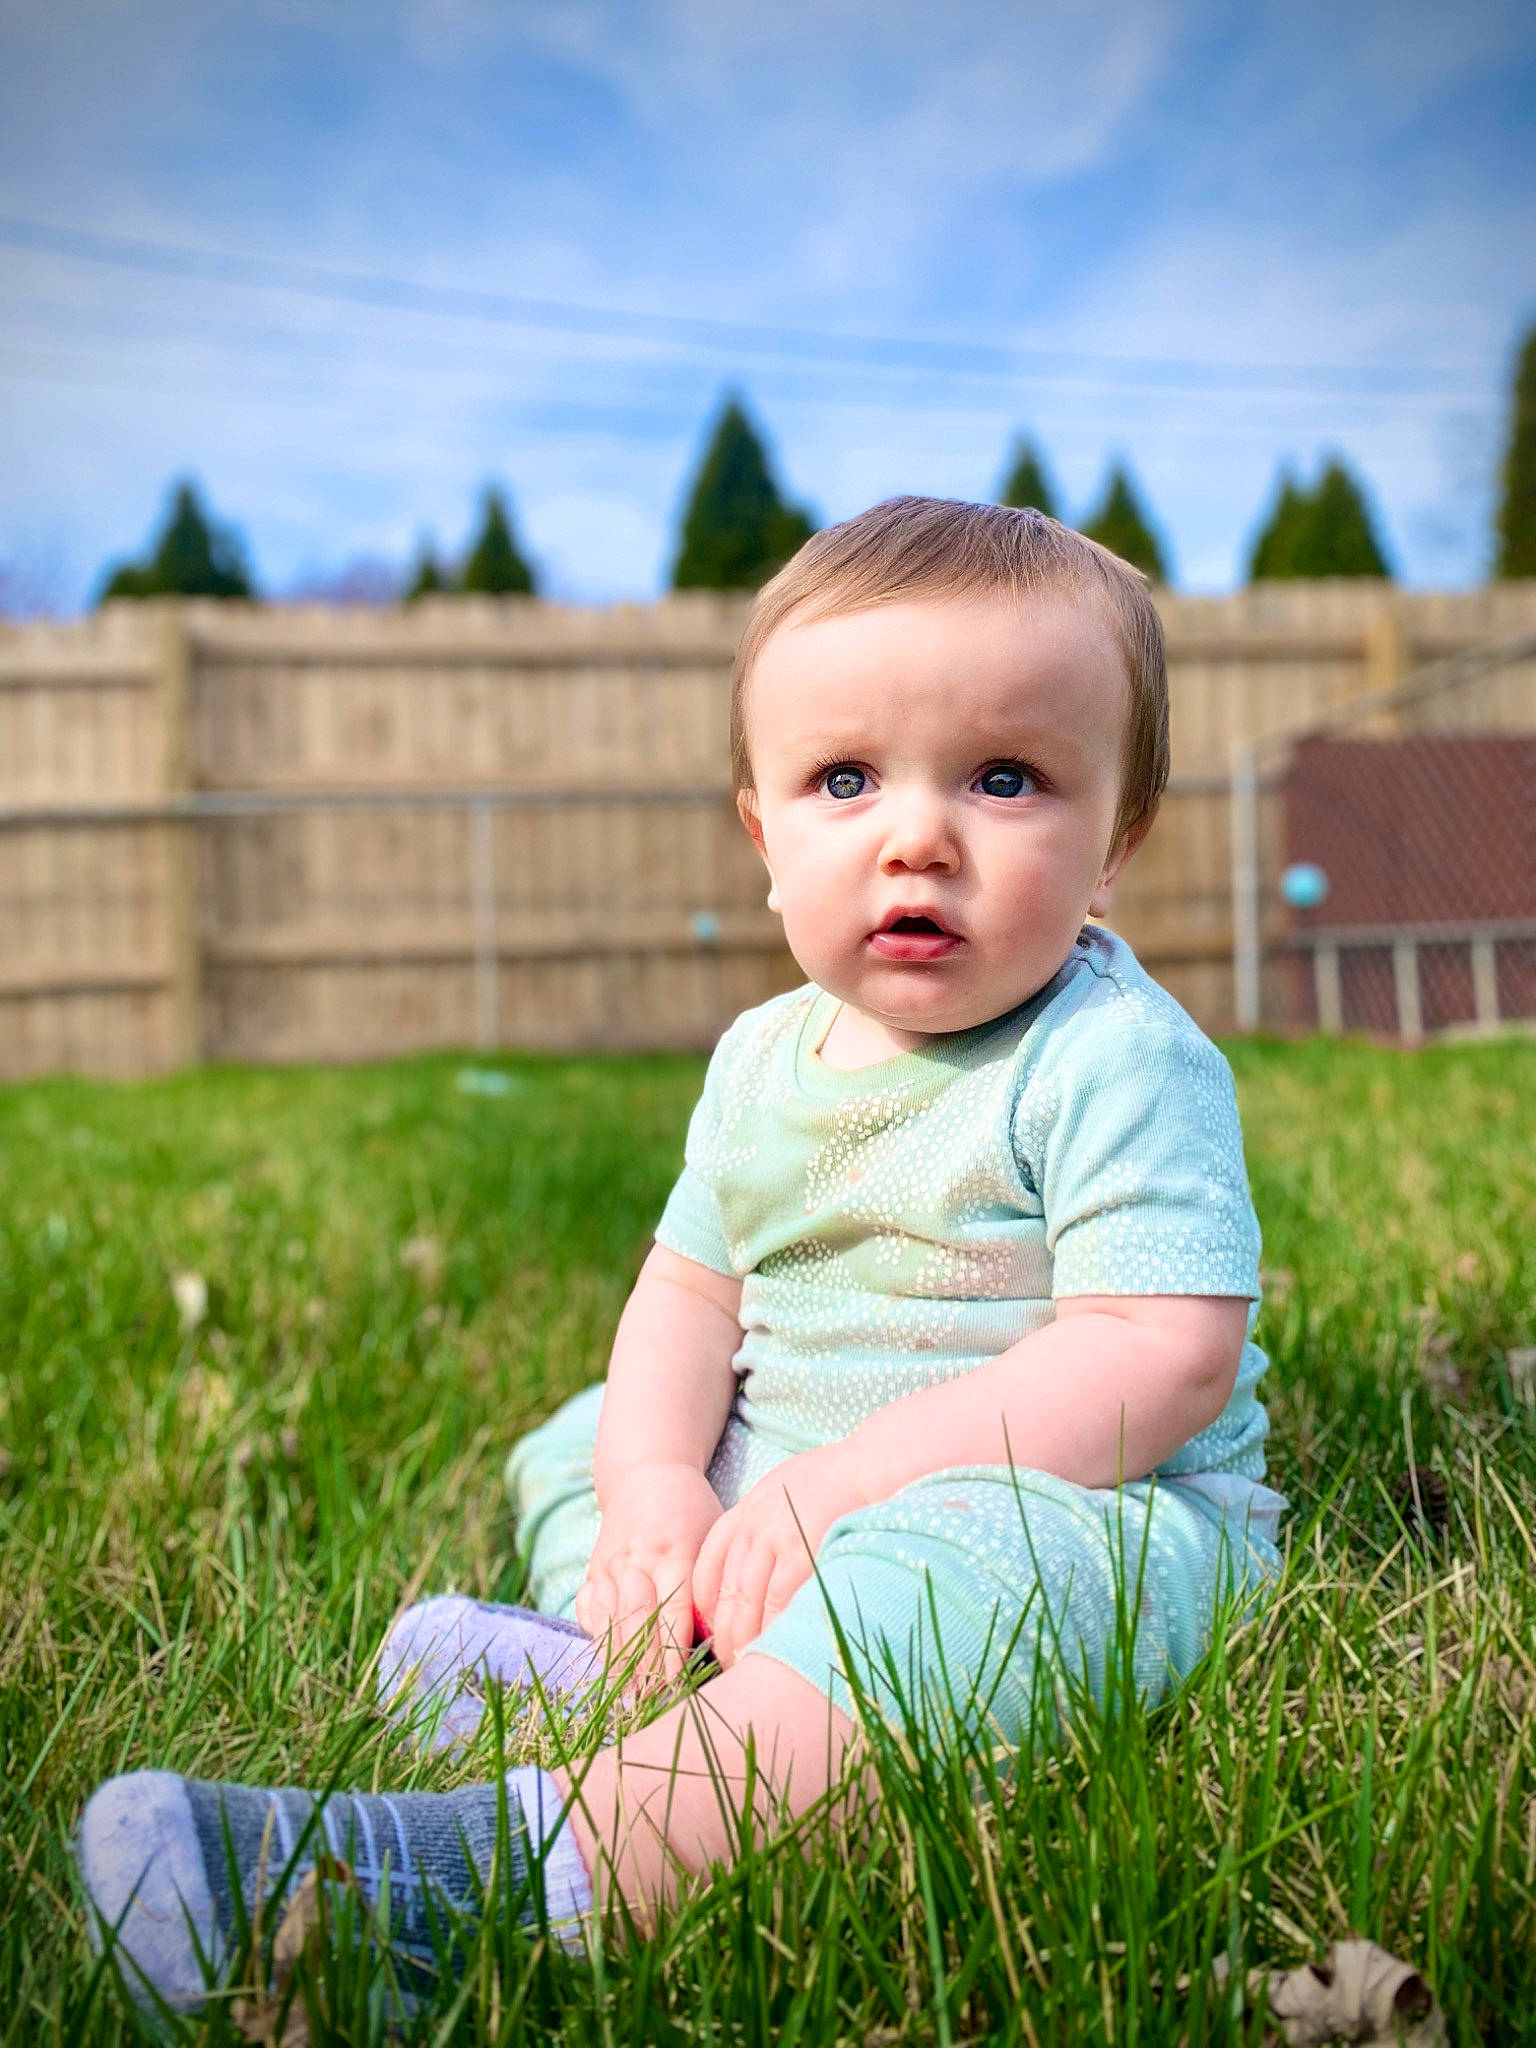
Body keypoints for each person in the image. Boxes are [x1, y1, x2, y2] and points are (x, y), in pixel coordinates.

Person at [75, 497, 1286, 2013]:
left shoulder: (1110, 1059)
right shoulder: (760, 1060)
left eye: (1005, 777)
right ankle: (637, 1653)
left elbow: (1156, 1352)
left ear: (1114, 846)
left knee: (966, 1587)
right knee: (585, 1442)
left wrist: (848, 1487)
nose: (917, 833)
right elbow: (687, 1297)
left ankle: (497, 1881)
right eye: (844, 779)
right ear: (764, 834)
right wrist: (655, 1503)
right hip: (780, 1492)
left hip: (1066, 1500)